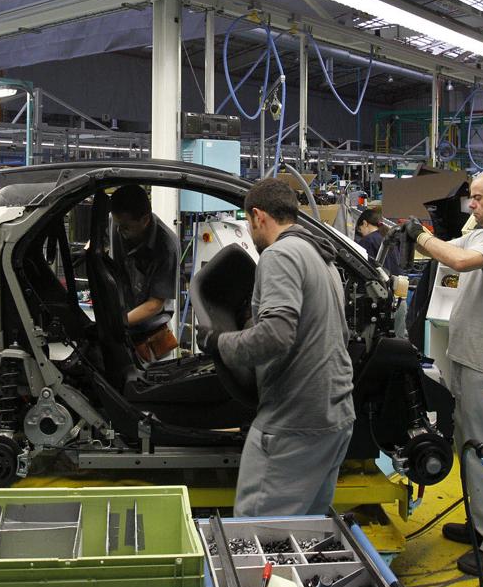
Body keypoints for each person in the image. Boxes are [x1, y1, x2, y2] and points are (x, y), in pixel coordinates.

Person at [196, 177, 356, 517]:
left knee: (259, 535)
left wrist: (218, 343)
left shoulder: (279, 255)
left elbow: (277, 335)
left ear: (258, 216)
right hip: (334, 414)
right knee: (304, 531)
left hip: (295, 423)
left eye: (248, 221)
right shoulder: (321, 257)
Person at [402, 168, 483, 577]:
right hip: (465, 355)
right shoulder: (480, 234)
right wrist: (407, 232)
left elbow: (455, 260)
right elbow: (441, 249)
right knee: (469, 448)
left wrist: (419, 236)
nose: (471, 205)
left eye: (477, 198)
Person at [108, 184, 181, 362]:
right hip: (122, 333)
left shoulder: (166, 246)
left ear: (145, 219)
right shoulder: (116, 222)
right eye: (117, 224)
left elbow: (154, 305)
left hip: (152, 341)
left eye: (125, 227)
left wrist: (116, 324)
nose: (119, 231)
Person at [355, 207, 407, 337]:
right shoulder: (389, 239)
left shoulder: (367, 241)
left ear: (365, 223)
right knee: (397, 342)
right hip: (400, 299)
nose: (361, 234)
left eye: (360, 230)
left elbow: (364, 274)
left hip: (382, 304)